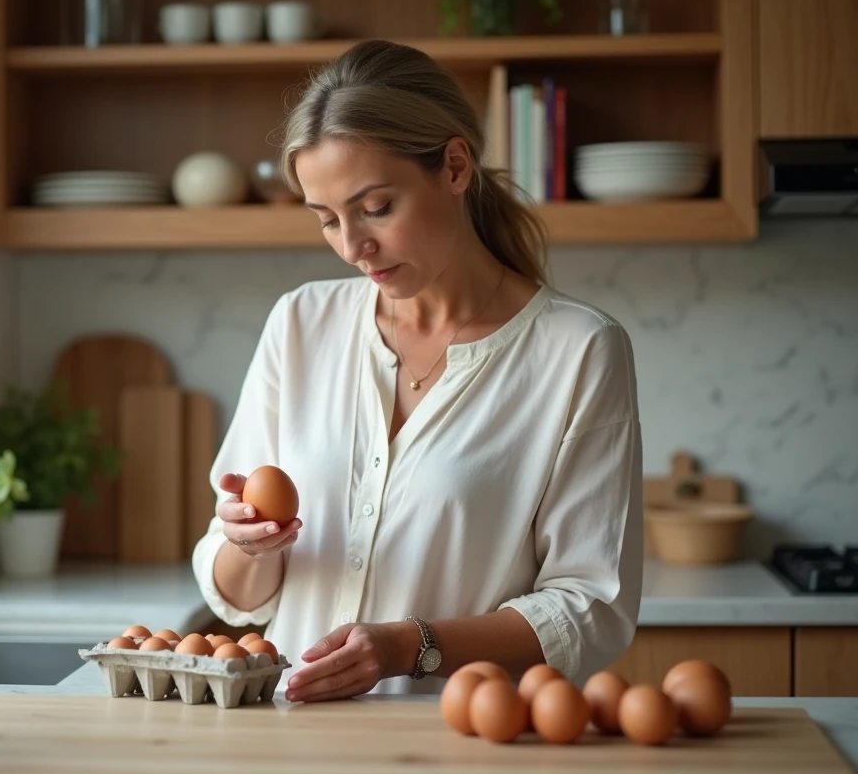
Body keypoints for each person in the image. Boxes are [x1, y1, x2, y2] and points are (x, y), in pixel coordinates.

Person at [190, 39, 643, 703]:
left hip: (459, 742)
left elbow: (592, 605)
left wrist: (412, 646)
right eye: (327, 220)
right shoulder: (301, 323)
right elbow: (237, 600)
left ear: (455, 165)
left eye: (376, 208)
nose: (353, 246)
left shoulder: (578, 350)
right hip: (288, 738)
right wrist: (248, 545)